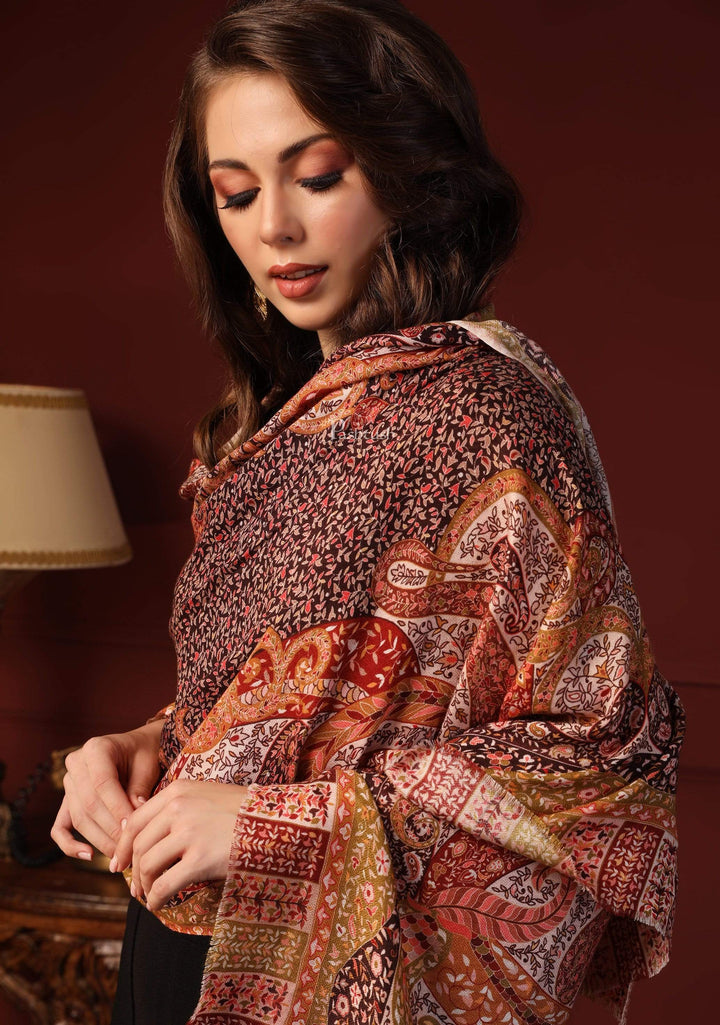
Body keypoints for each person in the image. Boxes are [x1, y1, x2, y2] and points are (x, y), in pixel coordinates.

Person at [50, 2, 684, 1023]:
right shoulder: (281, 415)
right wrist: (144, 743)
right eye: (235, 192)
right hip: (175, 933)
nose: (273, 227)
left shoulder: (487, 414)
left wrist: (277, 825)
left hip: (327, 957)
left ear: (406, 172)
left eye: (317, 176)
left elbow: (596, 770)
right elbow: (306, 694)